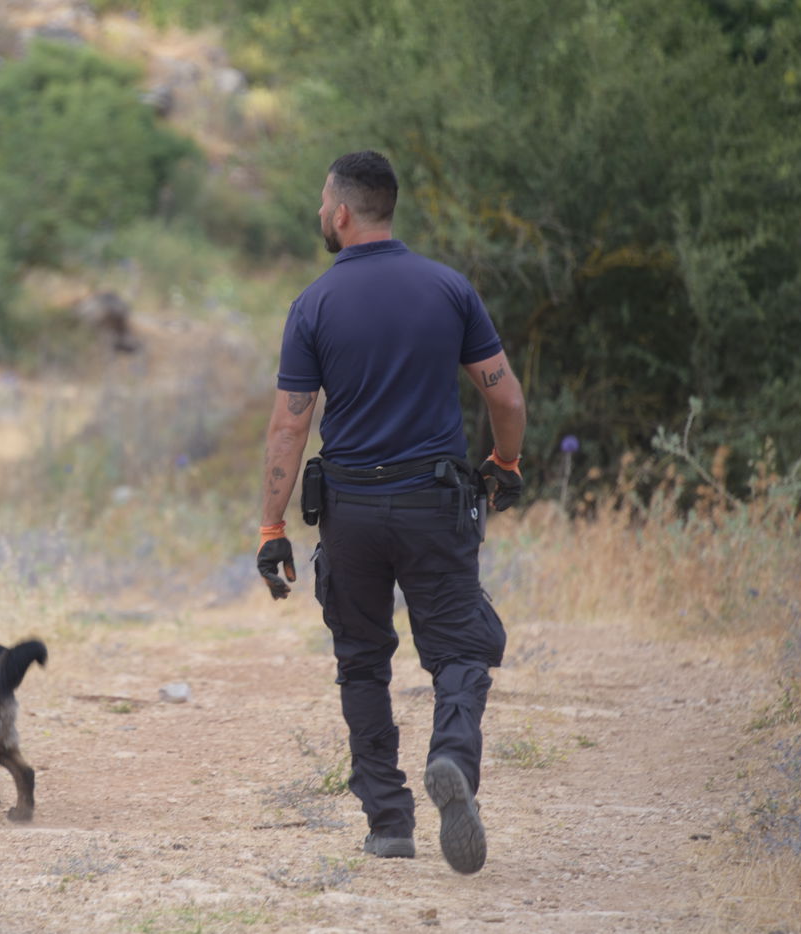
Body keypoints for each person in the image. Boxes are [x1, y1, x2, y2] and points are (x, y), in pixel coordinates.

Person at [255, 150, 526, 875]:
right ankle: (452, 760)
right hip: (436, 505)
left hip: (351, 513)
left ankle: (389, 821)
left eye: (321, 204)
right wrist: (505, 465)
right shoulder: (448, 289)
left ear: (342, 212)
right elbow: (505, 398)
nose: (319, 215)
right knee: (461, 650)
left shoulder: (313, 304)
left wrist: (272, 527)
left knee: (362, 661)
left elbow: (290, 426)